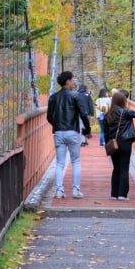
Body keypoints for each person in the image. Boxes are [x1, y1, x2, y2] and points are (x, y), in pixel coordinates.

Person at [47, 71, 92, 199]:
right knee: (76, 161)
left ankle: (59, 191)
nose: (73, 82)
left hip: (59, 133)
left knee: (60, 163)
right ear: (67, 81)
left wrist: (56, 125)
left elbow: (49, 117)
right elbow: (83, 114)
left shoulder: (53, 97)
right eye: (72, 80)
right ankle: (76, 190)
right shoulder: (76, 96)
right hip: (72, 132)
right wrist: (87, 130)